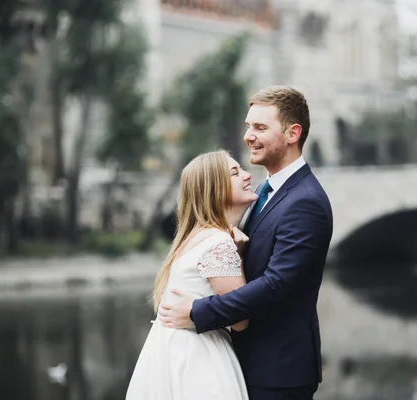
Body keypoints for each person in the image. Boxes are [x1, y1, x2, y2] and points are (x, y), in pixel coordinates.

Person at [159, 86, 334, 400]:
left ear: (293, 133)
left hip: (278, 371)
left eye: (260, 128)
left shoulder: (305, 201)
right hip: (244, 364)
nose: (248, 136)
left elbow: (277, 285)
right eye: (248, 126)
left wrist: (199, 312)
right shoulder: (264, 193)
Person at [126, 150, 258, 400]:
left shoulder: (196, 237)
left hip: (171, 354)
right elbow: (241, 320)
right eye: (235, 172)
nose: (247, 175)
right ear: (214, 187)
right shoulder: (219, 242)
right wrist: (237, 256)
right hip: (200, 359)